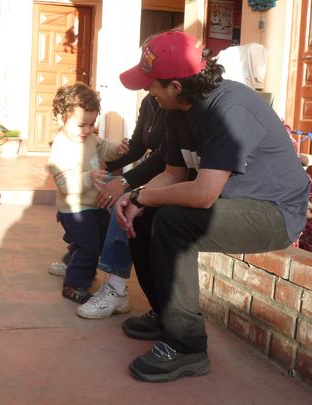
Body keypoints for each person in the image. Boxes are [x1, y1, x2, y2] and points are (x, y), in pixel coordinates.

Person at [113, 31, 310, 383]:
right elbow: (174, 174)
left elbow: (203, 194)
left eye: (151, 85)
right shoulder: (176, 110)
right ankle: (164, 314)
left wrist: (143, 197)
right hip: (231, 202)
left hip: (274, 212)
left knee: (173, 222)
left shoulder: (229, 108)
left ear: (175, 86)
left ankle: (187, 346)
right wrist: (135, 197)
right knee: (146, 218)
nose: (148, 92)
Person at [75, 94, 168, 319]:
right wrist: (105, 167)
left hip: (170, 179)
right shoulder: (149, 101)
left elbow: (163, 158)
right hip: (152, 177)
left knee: (124, 202)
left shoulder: (175, 101)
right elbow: (137, 146)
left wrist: (125, 183)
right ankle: (77, 254)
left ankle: (117, 290)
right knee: (95, 189)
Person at [47, 82, 128, 304]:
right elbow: (64, 184)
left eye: (92, 124)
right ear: (60, 119)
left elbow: (103, 147)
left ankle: (71, 258)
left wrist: (117, 149)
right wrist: (87, 178)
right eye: (81, 124)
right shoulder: (60, 148)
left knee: (100, 239)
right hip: (74, 210)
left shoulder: (90, 138)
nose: (87, 130)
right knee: (90, 246)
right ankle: (74, 284)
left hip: (94, 205)